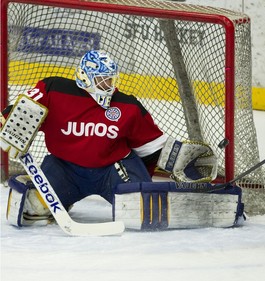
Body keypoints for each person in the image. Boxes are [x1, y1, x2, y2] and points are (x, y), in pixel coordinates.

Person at [1, 50, 218, 227]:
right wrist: (8, 125)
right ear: (85, 77)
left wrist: (181, 161)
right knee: (32, 209)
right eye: (102, 80)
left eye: (110, 80)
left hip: (113, 169)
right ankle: (55, 196)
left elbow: (151, 145)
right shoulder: (53, 90)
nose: (109, 85)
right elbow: (16, 113)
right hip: (65, 169)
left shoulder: (128, 106)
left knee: (143, 210)